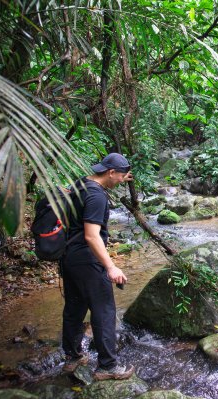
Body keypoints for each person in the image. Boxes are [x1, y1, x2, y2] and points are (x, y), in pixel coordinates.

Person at [61, 153, 135, 380]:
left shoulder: (81, 184)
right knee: (104, 310)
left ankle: (73, 357)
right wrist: (111, 266)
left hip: (69, 257)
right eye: (120, 176)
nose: (122, 181)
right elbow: (92, 236)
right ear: (110, 173)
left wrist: (124, 175)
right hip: (87, 258)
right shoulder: (97, 197)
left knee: (74, 307)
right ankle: (108, 367)